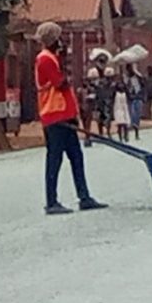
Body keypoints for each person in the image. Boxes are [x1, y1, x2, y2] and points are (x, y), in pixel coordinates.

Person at [35, 22, 105, 215]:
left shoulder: (52, 58)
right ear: (52, 39)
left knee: (76, 157)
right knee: (54, 159)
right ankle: (51, 202)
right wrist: (63, 59)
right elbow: (60, 83)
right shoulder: (46, 59)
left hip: (65, 114)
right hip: (54, 116)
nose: (61, 40)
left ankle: (84, 197)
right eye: (58, 37)